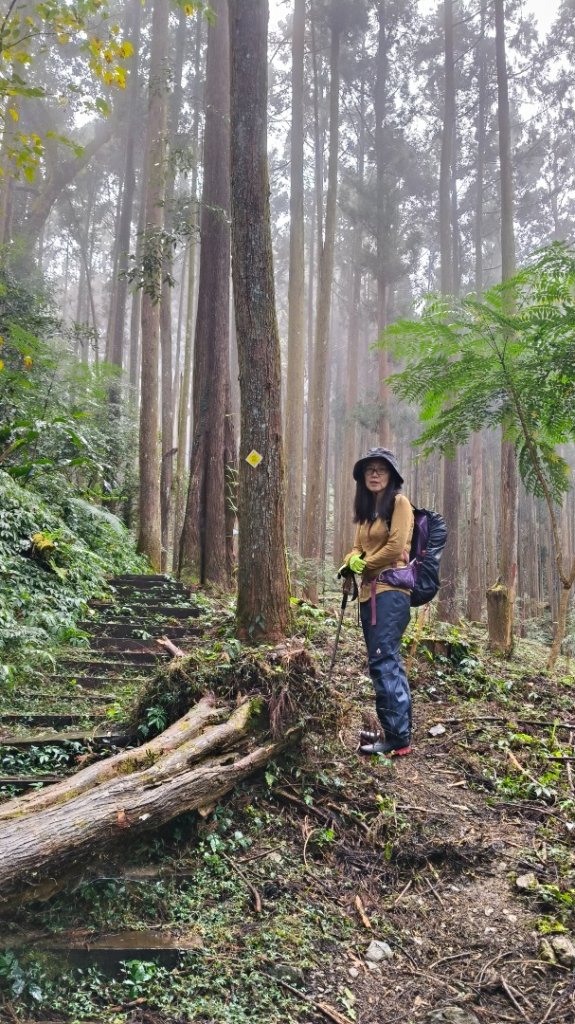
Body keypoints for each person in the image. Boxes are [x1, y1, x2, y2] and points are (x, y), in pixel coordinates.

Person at [340, 447, 414, 757]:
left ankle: (397, 738)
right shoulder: (366, 514)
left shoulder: (400, 503)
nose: (374, 474)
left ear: (391, 476)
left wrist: (364, 563)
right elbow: (354, 549)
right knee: (384, 661)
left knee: (384, 659)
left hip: (392, 593)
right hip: (370, 595)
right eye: (369, 469)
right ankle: (397, 730)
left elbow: (396, 547)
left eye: (380, 469)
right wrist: (350, 563)